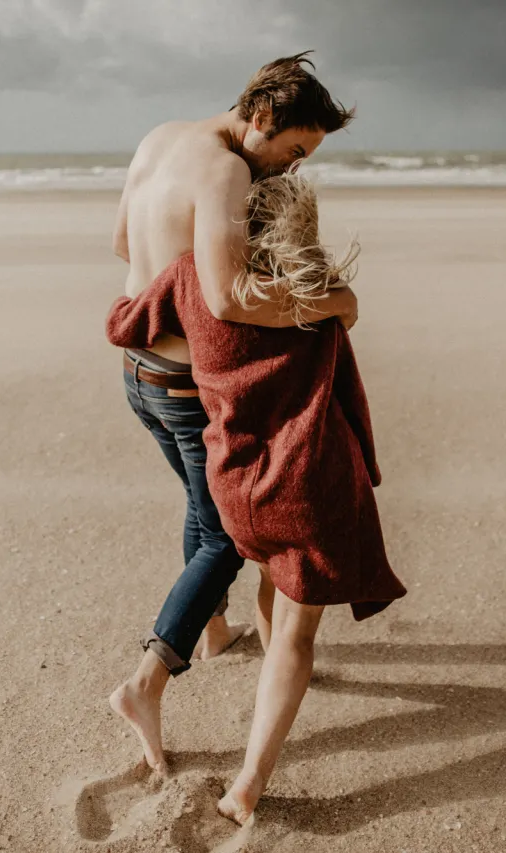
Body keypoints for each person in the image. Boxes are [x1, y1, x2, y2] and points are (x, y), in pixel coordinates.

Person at [108, 172, 407, 824]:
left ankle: (253, 666)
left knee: (270, 566)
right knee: (296, 639)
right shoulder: (319, 296)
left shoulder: (190, 276)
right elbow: (349, 389)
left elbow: (121, 321)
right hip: (310, 486)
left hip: (238, 486)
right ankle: (246, 783)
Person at [107, 52, 358, 777]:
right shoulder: (228, 172)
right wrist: (334, 303)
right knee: (227, 535)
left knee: (198, 501)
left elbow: (124, 243)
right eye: (294, 151)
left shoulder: (160, 138)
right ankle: (146, 681)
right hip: (186, 385)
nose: (291, 170)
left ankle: (212, 630)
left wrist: (178, 259)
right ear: (261, 119)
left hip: (136, 372)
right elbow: (230, 299)